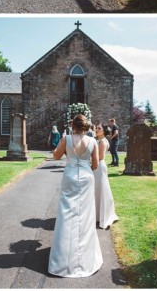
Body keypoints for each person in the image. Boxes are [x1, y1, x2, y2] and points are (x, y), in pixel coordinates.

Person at [48, 114, 103, 278]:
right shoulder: (93, 142)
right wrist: (84, 166)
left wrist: (66, 152)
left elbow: (56, 156)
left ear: (73, 126)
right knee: (85, 215)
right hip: (86, 178)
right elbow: (95, 164)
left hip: (70, 177)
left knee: (67, 214)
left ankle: (63, 258)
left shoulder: (67, 139)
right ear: (86, 126)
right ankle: (85, 256)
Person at [93, 124, 119, 229]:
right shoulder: (97, 140)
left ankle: (101, 215)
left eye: (99, 128)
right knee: (96, 190)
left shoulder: (103, 141)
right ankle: (96, 214)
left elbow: (101, 157)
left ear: (104, 131)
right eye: (96, 128)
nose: (96, 129)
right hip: (96, 166)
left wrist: (90, 163)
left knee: (100, 189)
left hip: (99, 167)